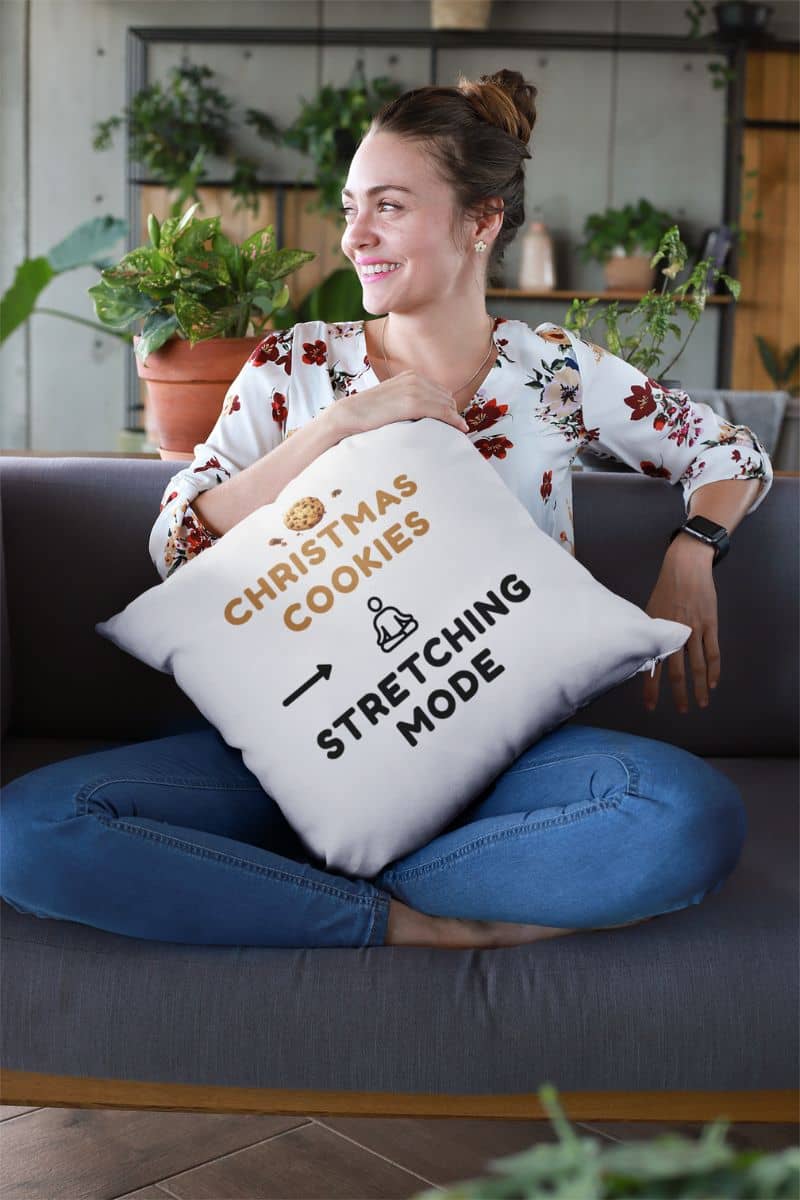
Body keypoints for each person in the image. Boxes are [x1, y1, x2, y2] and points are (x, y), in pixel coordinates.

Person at [0, 70, 772, 951]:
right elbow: (179, 543)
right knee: (31, 831)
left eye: (390, 207)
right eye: (350, 207)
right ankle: (400, 921)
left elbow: (728, 452)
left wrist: (692, 551)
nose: (354, 235)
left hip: (499, 758)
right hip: (297, 750)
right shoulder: (295, 365)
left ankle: (327, 880)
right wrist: (336, 426)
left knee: (685, 815)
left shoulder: (554, 372)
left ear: (481, 221)